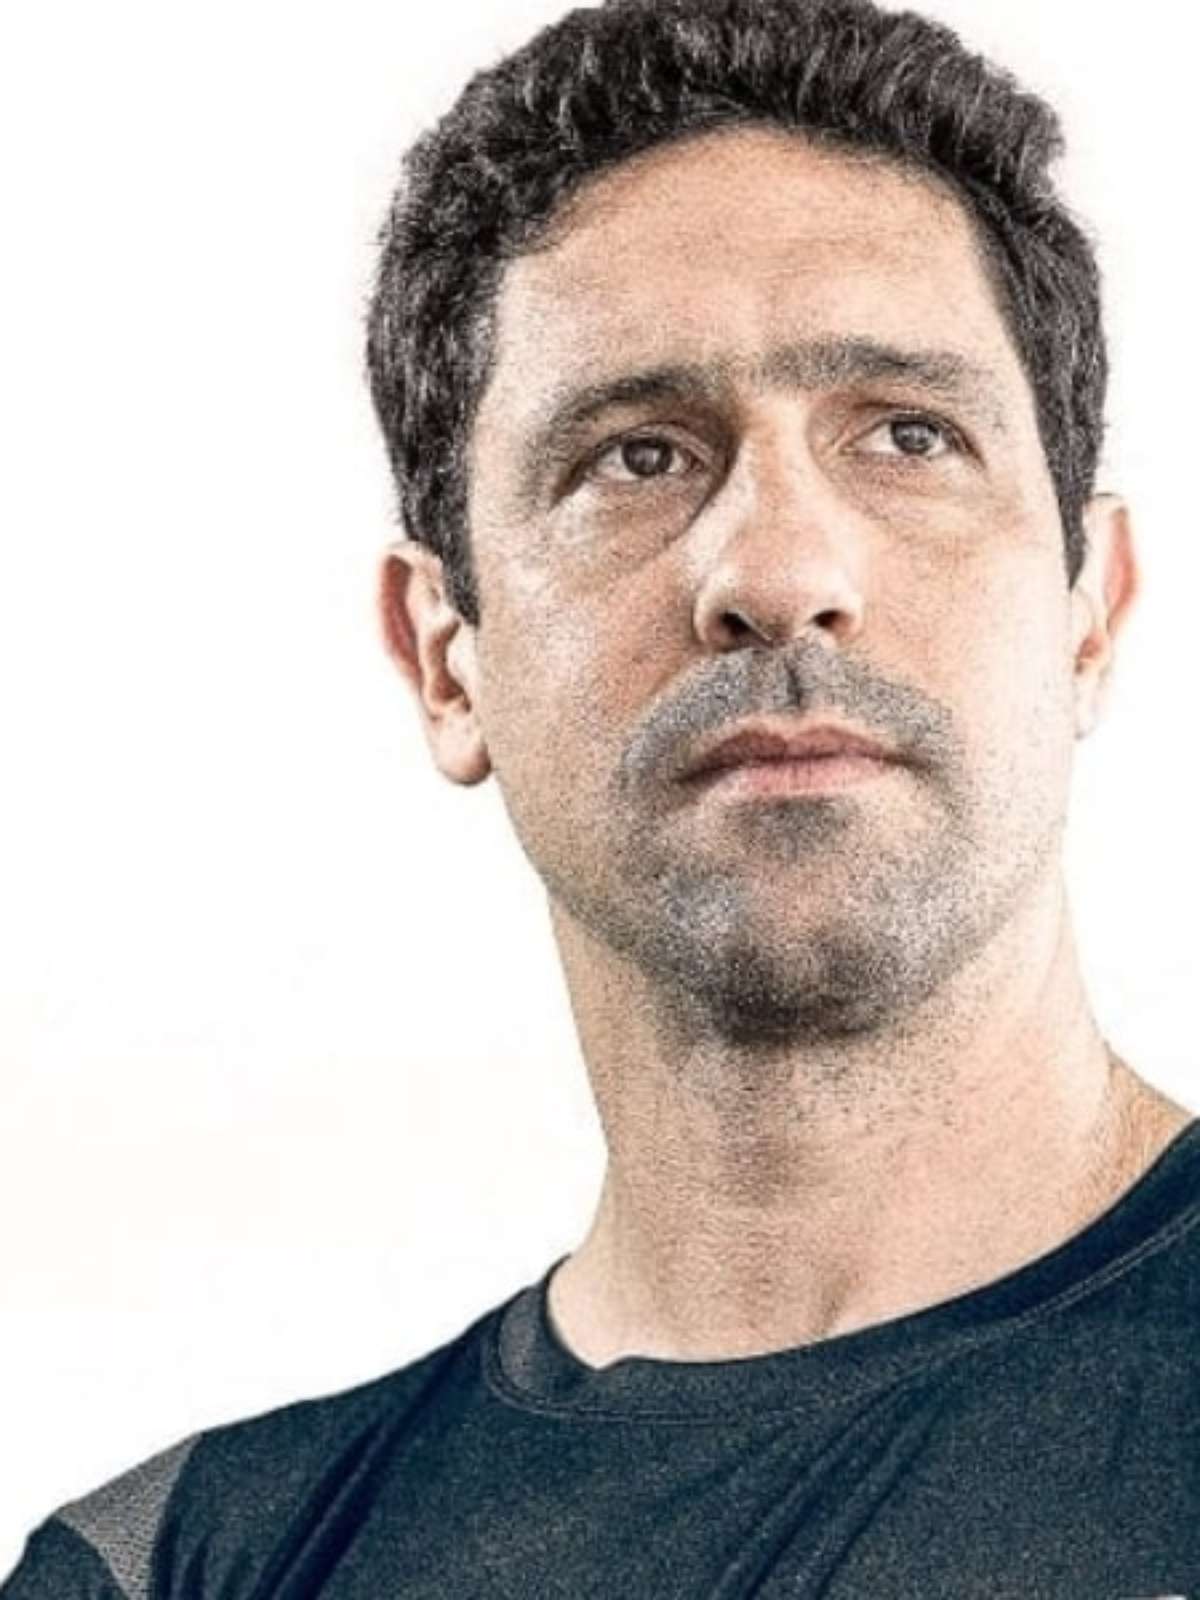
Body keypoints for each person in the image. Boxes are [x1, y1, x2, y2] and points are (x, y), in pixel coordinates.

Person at [5, 0, 1199, 1593]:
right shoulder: (184, 1568)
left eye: (910, 436)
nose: (780, 571)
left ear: (1090, 613)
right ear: (446, 657)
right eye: (638, 456)